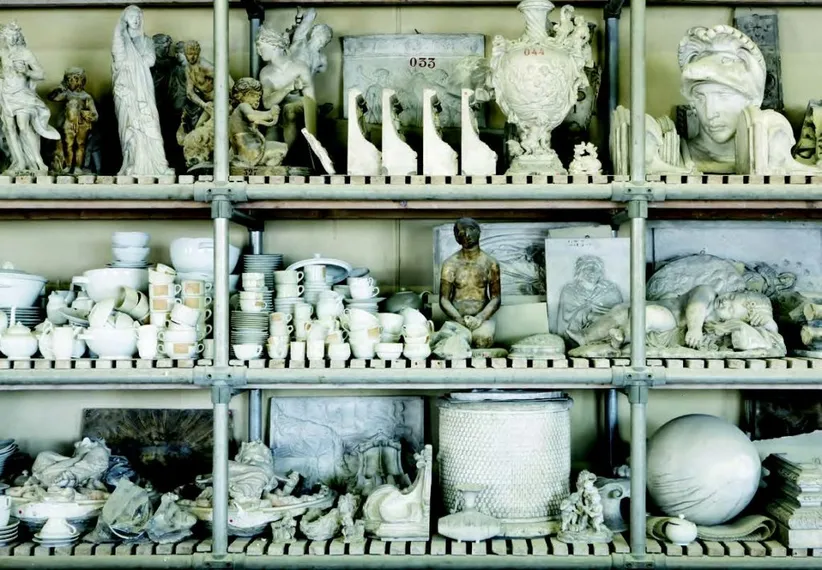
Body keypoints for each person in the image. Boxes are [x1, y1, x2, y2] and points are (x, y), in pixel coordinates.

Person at [679, 25, 766, 173]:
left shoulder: (773, 158)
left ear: (752, 100)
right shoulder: (681, 157)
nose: (710, 113)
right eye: (700, 98)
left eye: (723, 95)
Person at [111, 5, 174, 176]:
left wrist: (135, 60)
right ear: (125, 19)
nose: (136, 20)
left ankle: (158, 165)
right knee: (130, 126)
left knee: (151, 123)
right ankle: (133, 163)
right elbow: (119, 59)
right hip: (126, 90)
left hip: (143, 88)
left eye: (139, 17)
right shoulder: (120, 40)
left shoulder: (147, 41)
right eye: (132, 17)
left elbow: (151, 60)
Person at [0, 22, 59, 174]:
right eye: (9, 36)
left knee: (23, 127)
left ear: (19, 36)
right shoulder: (2, 53)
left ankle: (38, 162)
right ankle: (19, 162)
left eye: (15, 36)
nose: (12, 39)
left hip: (22, 94)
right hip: (6, 94)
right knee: (9, 128)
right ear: (4, 37)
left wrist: (26, 71)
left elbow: (41, 74)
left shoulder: (25, 53)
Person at [439, 218, 501, 348]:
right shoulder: (450, 264)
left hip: (482, 319)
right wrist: (459, 319)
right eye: (462, 233)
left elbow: (496, 298)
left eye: (471, 229)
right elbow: (444, 299)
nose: (467, 235)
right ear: (457, 238)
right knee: (456, 344)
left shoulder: (491, 263)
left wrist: (480, 318)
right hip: (457, 318)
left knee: (481, 341)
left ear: (478, 231)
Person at [559, 255, 623, 345]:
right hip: (576, 332)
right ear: (580, 271)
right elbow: (567, 318)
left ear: (600, 273)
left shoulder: (610, 290)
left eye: (596, 269)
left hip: (607, 332)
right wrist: (587, 315)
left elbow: (618, 315)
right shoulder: (570, 290)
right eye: (588, 268)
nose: (592, 272)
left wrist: (593, 316)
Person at [49, 67, 99, 174]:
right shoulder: (67, 94)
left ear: (81, 80)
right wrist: (60, 87)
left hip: (82, 123)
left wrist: (90, 116)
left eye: (75, 78)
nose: (71, 81)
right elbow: (52, 97)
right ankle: (68, 166)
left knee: (80, 145)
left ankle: (78, 167)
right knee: (68, 144)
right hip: (68, 123)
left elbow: (95, 114)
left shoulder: (86, 97)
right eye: (69, 79)